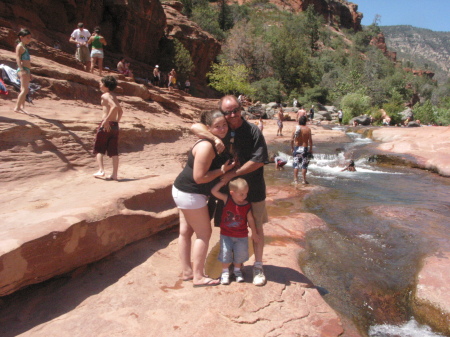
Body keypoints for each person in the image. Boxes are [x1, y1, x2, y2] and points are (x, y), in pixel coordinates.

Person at [191, 95, 269, 286]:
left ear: (241, 109)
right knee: (229, 227)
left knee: (256, 228)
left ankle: (258, 266)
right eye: (228, 112)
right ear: (222, 113)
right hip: (228, 193)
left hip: (254, 190)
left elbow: (259, 160)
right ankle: (233, 267)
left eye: (236, 110)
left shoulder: (252, 131)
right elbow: (194, 127)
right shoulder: (221, 128)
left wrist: (233, 174)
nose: (233, 114)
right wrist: (213, 138)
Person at [173, 110, 235, 287]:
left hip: (182, 190)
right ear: (209, 128)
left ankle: (187, 272)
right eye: (217, 126)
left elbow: (196, 126)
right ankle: (199, 277)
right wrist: (223, 170)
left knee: (185, 231)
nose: (222, 129)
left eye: (224, 125)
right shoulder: (207, 145)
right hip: (191, 193)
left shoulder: (210, 139)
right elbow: (199, 177)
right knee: (204, 233)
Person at [211, 178, 260, 285]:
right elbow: (214, 191)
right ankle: (225, 272)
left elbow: (250, 219)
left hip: (241, 235)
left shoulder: (246, 204)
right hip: (226, 234)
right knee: (225, 253)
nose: (244, 196)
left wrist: (254, 233)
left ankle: (237, 271)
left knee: (240, 253)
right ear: (232, 193)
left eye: (246, 193)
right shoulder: (226, 199)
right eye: (241, 194)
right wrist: (222, 182)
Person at [93, 76, 124, 181]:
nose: (100, 84)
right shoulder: (113, 96)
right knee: (114, 150)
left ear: (106, 86)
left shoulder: (105, 95)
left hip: (107, 124)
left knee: (99, 148)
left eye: (101, 83)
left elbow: (114, 107)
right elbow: (120, 111)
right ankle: (114, 174)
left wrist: (106, 120)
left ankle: (101, 170)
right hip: (114, 125)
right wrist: (116, 121)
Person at [14, 29, 33, 114]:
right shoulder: (20, 46)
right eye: (27, 37)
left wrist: (30, 72)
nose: (29, 39)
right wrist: (21, 69)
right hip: (23, 69)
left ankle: (22, 107)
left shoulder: (24, 46)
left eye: (30, 37)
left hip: (27, 70)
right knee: (25, 90)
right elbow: (17, 58)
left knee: (24, 89)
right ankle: (17, 108)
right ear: (21, 37)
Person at [291, 116, 313, 184]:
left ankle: (295, 180)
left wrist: (292, 147)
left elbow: (292, 139)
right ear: (305, 121)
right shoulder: (308, 129)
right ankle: (303, 180)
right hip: (304, 148)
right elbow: (310, 141)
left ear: (299, 121)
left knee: (296, 164)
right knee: (304, 165)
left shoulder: (295, 128)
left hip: (297, 147)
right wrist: (310, 149)